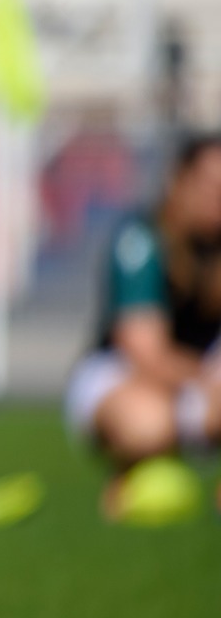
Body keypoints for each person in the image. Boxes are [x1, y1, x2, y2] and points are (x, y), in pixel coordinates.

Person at [64, 134, 221, 513]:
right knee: (149, 424)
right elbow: (146, 353)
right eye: (209, 185)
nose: (217, 198)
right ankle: (129, 475)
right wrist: (209, 385)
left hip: (200, 376)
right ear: (180, 182)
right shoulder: (142, 241)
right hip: (125, 373)